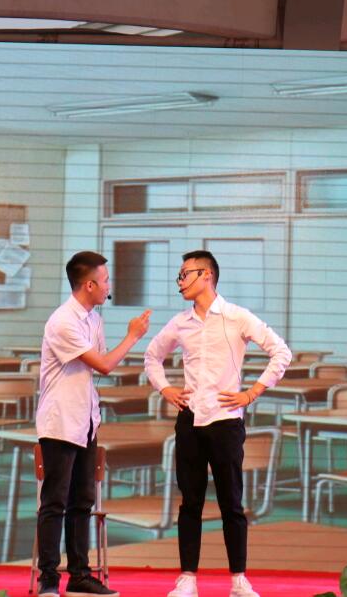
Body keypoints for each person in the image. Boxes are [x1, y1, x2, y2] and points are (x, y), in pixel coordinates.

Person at [144, 251, 292, 597]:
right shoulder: (180, 322)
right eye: (179, 275)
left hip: (225, 421)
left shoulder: (236, 316)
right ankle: (187, 580)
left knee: (231, 503)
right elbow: (152, 356)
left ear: (206, 275)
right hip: (190, 420)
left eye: (185, 274)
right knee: (190, 503)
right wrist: (165, 388)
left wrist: (252, 393)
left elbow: (281, 352)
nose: (180, 281)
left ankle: (239, 580)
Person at [34, 251, 151, 597]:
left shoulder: (94, 319)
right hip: (60, 421)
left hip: (86, 420)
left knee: (82, 501)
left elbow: (98, 364)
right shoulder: (62, 321)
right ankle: (48, 579)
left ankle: (80, 575)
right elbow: (104, 365)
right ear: (89, 285)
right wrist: (133, 336)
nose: (109, 286)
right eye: (105, 280)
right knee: (54, 501)